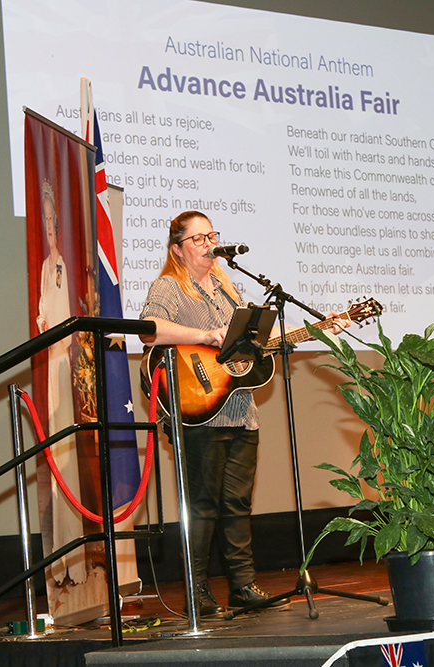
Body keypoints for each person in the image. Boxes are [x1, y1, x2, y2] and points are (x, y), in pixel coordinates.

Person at [139, 210, 348, 617]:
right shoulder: (169, 286)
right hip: (198, 410)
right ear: (177, 249)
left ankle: (242, 586)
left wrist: (321, 328)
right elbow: (149, 328)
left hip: (240, 412)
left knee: (236, 503)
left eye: (211, 236)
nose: (208, 244)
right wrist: (204, 335)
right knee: (202, 505)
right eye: (198, 238)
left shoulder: (227, 291)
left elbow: (254, 346)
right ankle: (197, 591)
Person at [36, 181, 86, 587]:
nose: (50, 227)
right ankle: (60, 565)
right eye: (45, 220)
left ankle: (77, 562)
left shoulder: (62, 267)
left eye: (55, 220)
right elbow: (42, 320)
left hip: (66, 370)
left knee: (69, 461)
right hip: (50, 369)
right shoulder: (43, 267)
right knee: (54, 463)